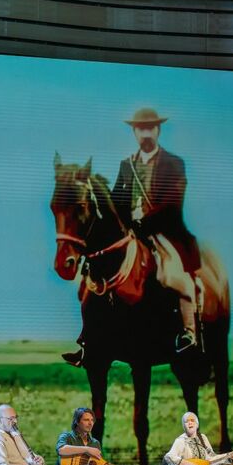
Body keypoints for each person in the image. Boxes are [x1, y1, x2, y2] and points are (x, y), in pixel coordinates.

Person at [63, 107, 201, 368]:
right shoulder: (127, 164)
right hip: (133, 233)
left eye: (150, 127)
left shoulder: (174, 163)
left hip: (164, 232)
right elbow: (117, 200)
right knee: (90, 279)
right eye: (140, 128)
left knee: (176, 278)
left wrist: (144, 222)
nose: (145, 132)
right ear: (135, 132)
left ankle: (188, 333)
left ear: (158, 130)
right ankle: (88, 340)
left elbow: (173, 202)